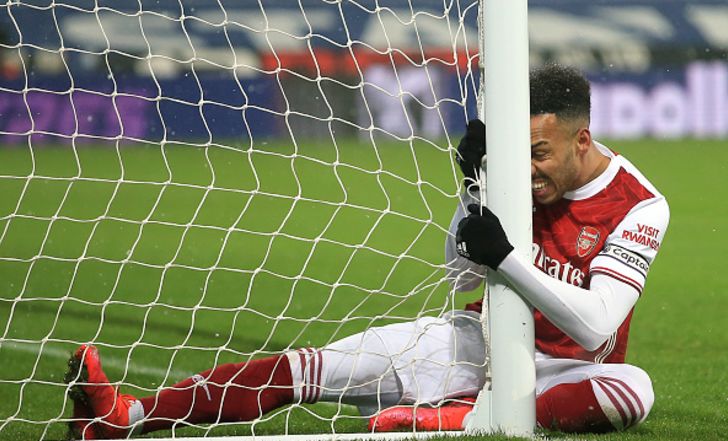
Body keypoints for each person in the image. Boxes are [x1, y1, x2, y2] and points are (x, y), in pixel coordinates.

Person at [64, 64, 669, 439]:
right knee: (309, 367)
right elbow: (460, 276)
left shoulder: (640, 205)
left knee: (633, 391)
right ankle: (127, 418)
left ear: (581, 139)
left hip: (571, 372)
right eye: (520, 153)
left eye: (540, 153)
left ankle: (459, 419)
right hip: (482, 340)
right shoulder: (514, 174)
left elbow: (595, 327)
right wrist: (475, 190)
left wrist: (507, 257)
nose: (529, 170)